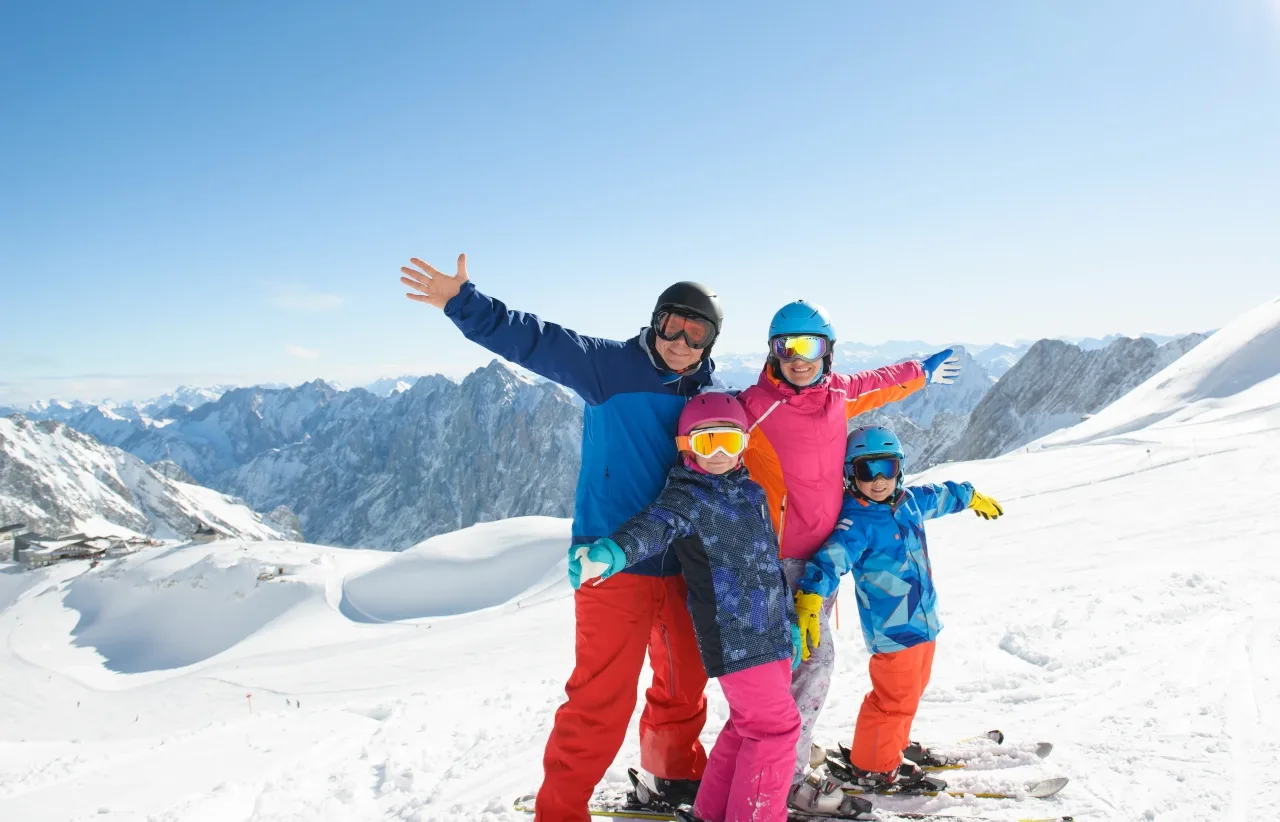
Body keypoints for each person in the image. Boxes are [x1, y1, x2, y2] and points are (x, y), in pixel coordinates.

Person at [400, 254, 722, 821]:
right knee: (601, 699)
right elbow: (533, 339)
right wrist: (462, 301)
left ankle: (673, 778)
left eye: (697, 335)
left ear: (709, 346)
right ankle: (561, 811)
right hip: (611, 562)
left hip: (680, 563)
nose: (681, 342)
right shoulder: (606, 366)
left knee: (683, 685)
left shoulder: (709, 397)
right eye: (674, 325)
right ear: (656, 320)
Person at [735, 299, 963, 800]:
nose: (799, 357)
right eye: (786, 346)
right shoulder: (753, 406)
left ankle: (784, 756)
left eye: (810, 346)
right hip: (780, 561)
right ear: (772, 353)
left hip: (822, 561)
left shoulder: (835, 394)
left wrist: (919, 372)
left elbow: (877, 382)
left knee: (801, 668)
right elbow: (705, 428)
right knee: (804, 668)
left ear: (828, 352)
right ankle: (782, 778)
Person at [569, 393, 802, 822]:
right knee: (776, 730)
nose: (716, 453)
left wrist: (787, 620)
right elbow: (653, 527)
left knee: (747, 726)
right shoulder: (688, 497)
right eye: (705, 441)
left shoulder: (751, 494)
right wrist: (612, 553)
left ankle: (711, 813)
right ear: (685, 445)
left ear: (743, 444)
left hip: (768, 632)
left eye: (728, 442)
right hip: (734, 637)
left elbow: (769, 564)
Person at [791, 425, 1004, 800]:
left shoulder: (909, 501)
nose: (877, 481)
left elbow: (941, 496)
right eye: (865, 471)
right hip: (892, 628)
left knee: (912, 689)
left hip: (925, 621)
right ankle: (873, 766)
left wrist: (970, 496)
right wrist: (810, 595)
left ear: (899, 469)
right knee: (893, 699)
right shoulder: (855, 522)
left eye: (886, 469)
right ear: (849, 474)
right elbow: (830, 560)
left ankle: (891, 746)